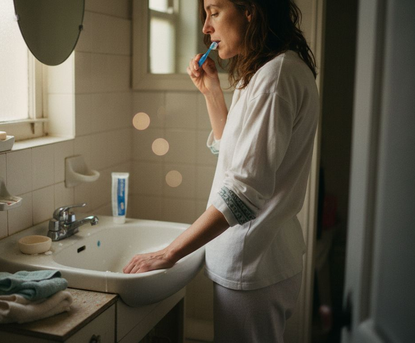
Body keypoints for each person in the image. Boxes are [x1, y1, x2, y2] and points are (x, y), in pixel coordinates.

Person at [124, 0, 318, 341]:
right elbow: (234, 154)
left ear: (250, 10)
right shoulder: (265, 72)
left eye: (214, 11)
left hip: (254, 258)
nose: (205, 27)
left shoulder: (275, 77)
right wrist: (212, 92)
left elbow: (243, 190)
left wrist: (169, 253)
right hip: (262, 256)